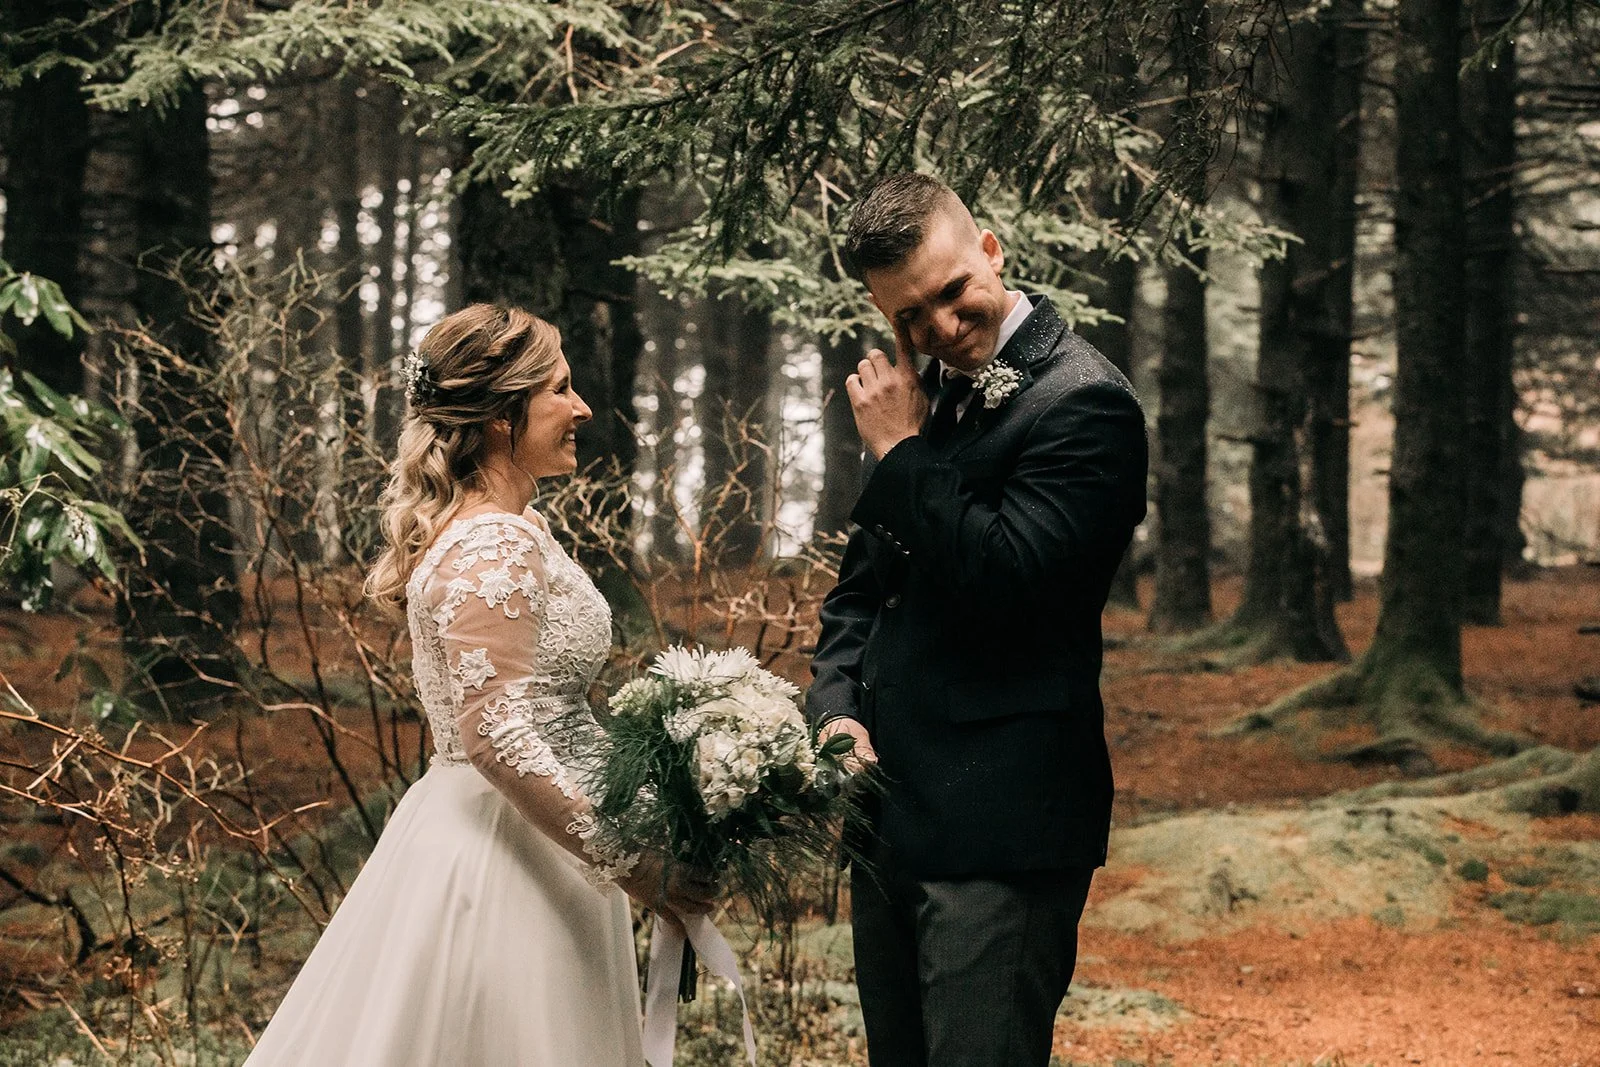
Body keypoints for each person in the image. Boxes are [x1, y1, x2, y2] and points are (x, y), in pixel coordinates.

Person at [245, 304, 713, 1066]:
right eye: (560, 389)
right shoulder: (494, 538)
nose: (582, 408)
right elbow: (496, 734)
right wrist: (631, 861)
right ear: (502, 417)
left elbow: (541, 713)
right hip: (506, 852)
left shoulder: (504, 524)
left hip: (528, 830)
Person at [806, 173, 1148, 1066]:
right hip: (891, 824)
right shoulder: (932, 401)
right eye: (910, 317)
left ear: (991, 250)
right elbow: (860, 593)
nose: (940, 330)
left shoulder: (1086, 403)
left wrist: (904, 453)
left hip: (1002, 831)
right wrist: (836, 708)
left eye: (953, 293)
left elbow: (1018, 585)